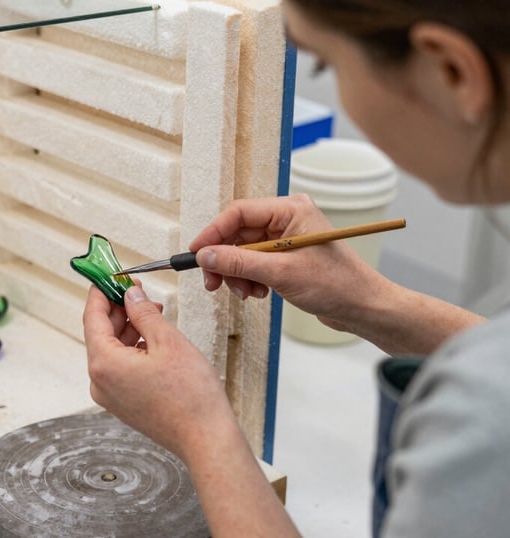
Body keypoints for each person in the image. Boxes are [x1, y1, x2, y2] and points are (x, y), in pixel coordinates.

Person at [82, 0, 510, 536]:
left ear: (451, 69)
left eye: (325, 61)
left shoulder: (484, 421)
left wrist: (200, 427)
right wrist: (368, 301)